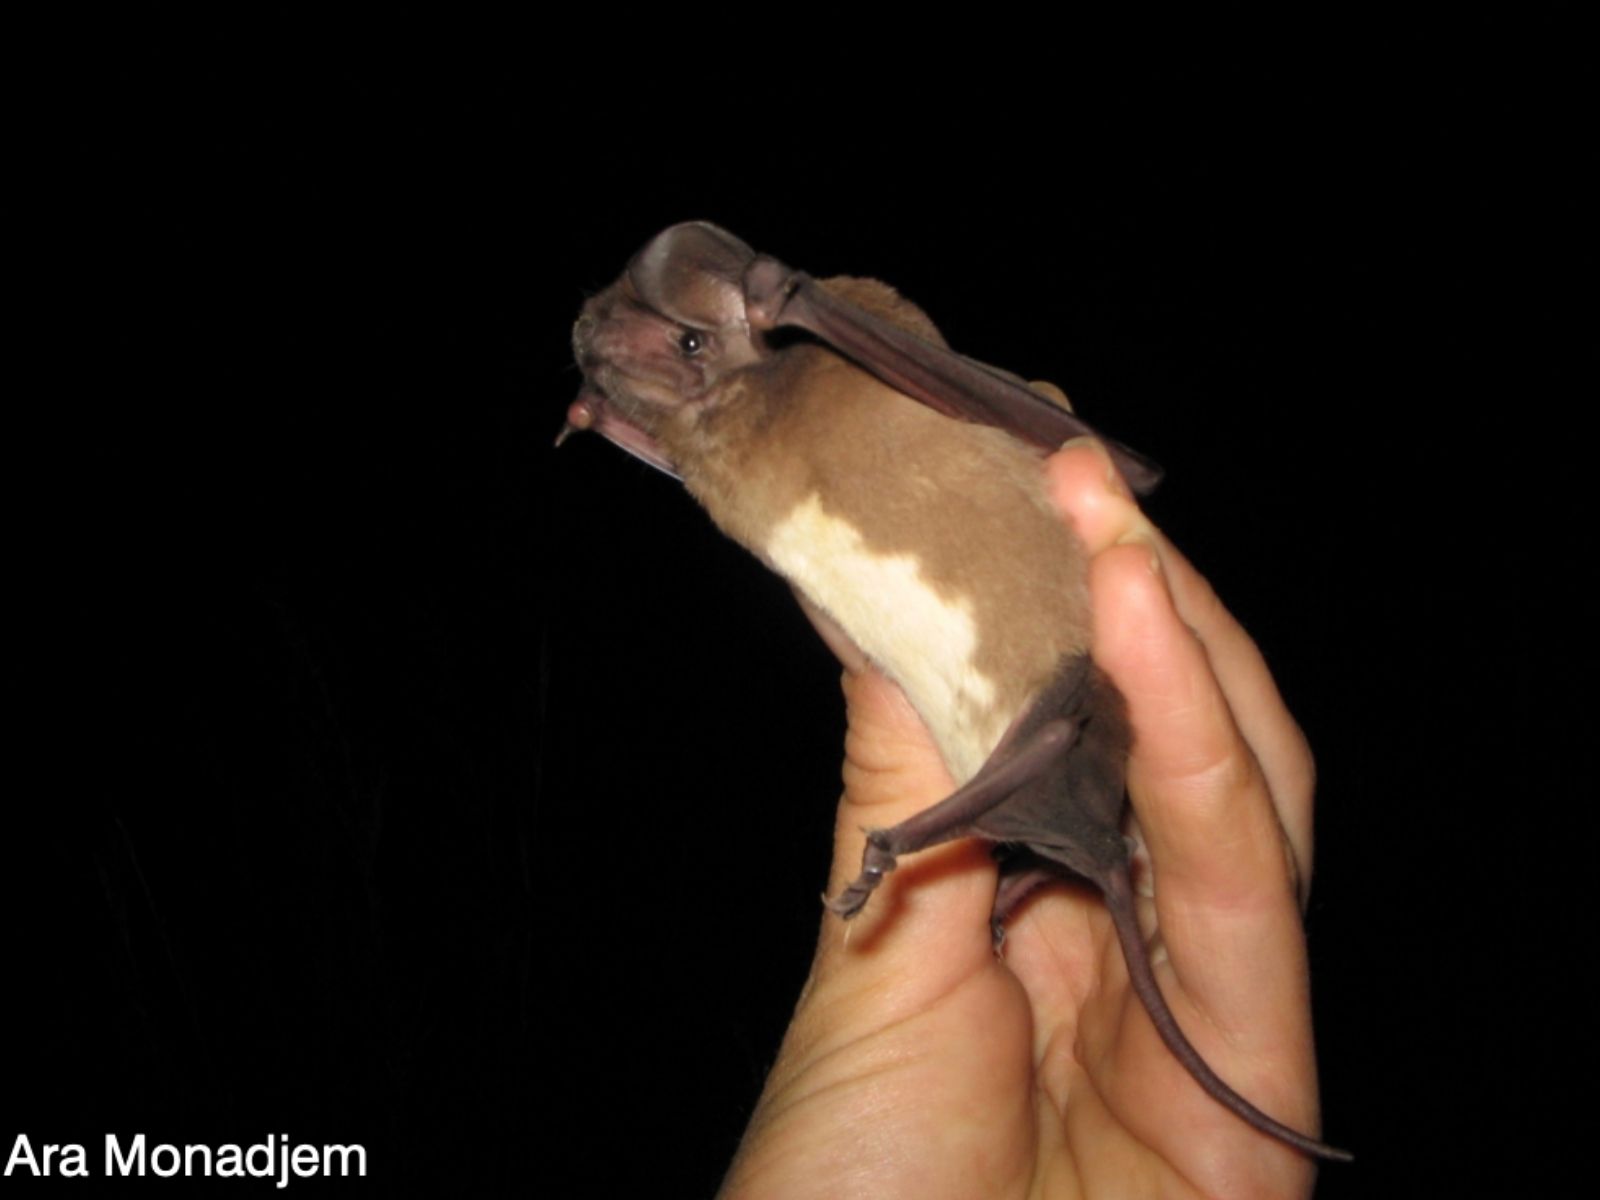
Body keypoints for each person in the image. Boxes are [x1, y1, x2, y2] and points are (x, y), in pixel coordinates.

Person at [719, 441, 1327, 1199]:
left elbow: (1049, 737)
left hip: (1044, 754)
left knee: (1042, 727)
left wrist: (897, 842)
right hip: (1047, 766)